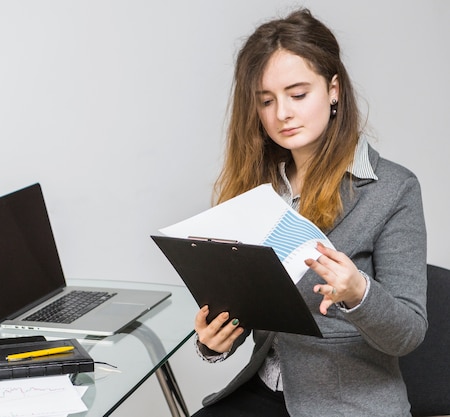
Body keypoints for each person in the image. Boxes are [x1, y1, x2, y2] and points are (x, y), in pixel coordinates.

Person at [191, 8, 427, 417]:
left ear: (333, 89)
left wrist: (359, 294)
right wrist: (214, 341)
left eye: (298, 95)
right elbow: (253, 305)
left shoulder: (394, 189)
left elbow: (409, 333)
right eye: (266, 101)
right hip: (263, 391)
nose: (282, 113)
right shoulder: (259, 190)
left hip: (346, 402)